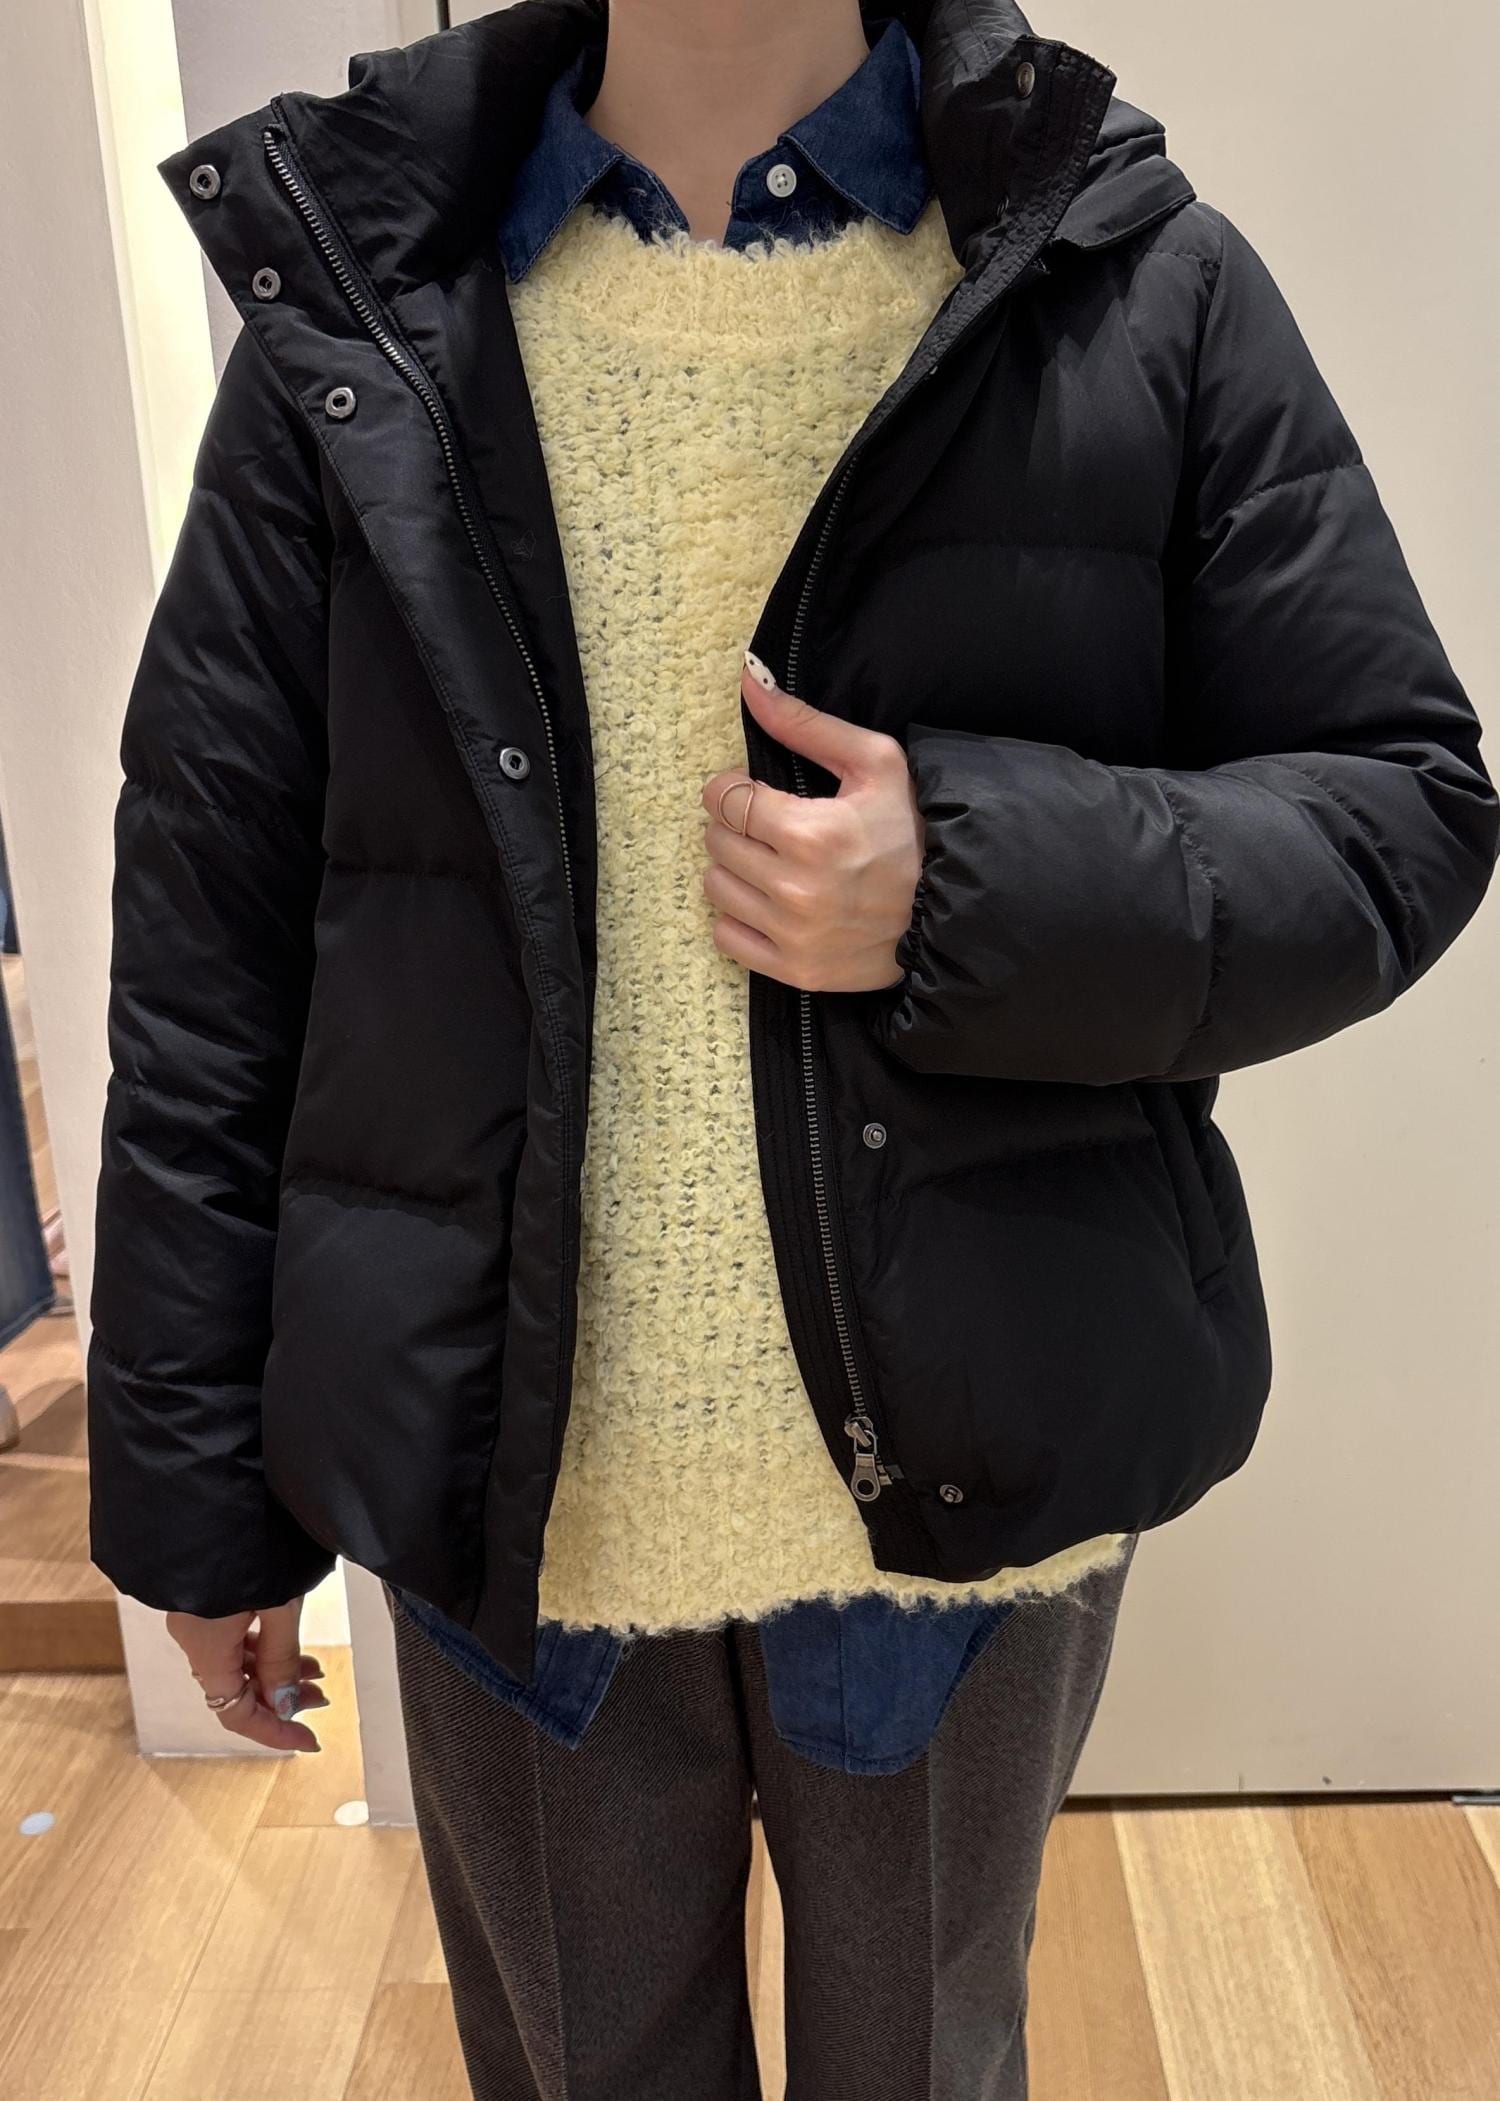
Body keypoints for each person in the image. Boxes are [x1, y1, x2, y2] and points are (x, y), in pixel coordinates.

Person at [87, 1, 1496, 2094]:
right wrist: (198, 1493)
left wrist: (969, 879)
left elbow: (1400, 806)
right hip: (505, 1481)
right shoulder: (362, 309)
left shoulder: (1126, 273)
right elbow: (211, 934)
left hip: (970, 1468)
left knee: (920, 2059)